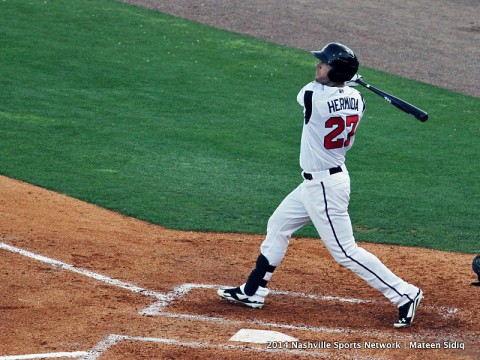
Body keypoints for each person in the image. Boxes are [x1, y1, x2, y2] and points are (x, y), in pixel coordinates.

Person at [217, 42, 423, 328]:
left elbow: (313, 91)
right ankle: (252, 291)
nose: (317, 65)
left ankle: (405, 293)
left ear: (335, 70)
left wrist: (341, 80)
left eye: (324, 63)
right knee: (279, 225)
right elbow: (343, 94)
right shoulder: (358, 100)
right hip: (319, 181)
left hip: (325, 187)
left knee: (345, 251)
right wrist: (345, 80)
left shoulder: (313, 95)